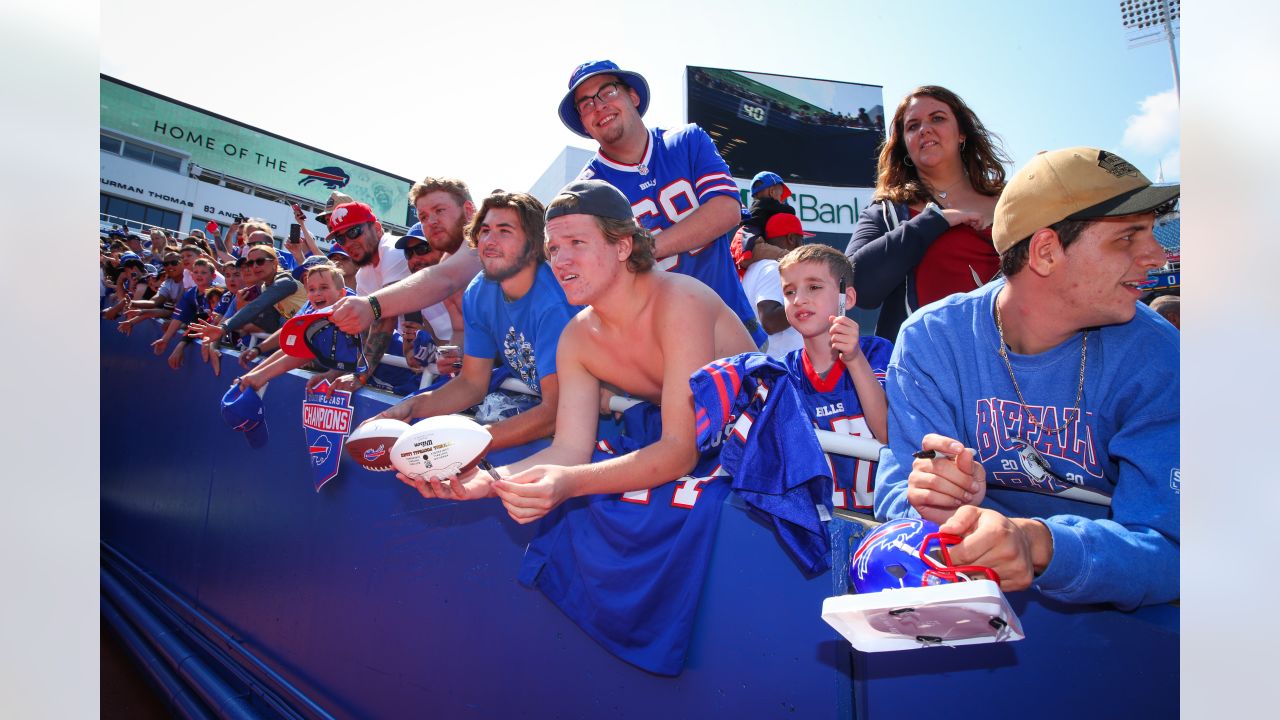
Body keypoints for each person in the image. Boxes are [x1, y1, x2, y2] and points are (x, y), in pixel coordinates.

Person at [874, 147, 1180, 610]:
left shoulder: (1156, 353)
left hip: (1119, 623)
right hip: (975, 603)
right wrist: (931, 505)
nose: (1157, 256)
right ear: (1045, 251)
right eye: (1127, 237)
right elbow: (899, 494)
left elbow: (1173, 548)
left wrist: (1041, 545)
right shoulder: (934, 338)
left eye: (1153, 233)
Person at [558, 59, 766, 348]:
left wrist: (648, 247)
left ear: (633, 95)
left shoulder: (687, 140)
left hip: (732, 328)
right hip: (657, 350)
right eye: (586, 104)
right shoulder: (585, 192)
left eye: (607, 92)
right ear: (583, 122)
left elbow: (726, 210)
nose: (598, 106)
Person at [371, 192, 578, 450]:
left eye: (505, 231)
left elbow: (557, 411)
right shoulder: (479, 290)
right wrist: (413, 407)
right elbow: (471, 383)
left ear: (535, 244)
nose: (490, 241)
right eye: (485, 230)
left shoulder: (555, 303)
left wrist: (468, 443)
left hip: (606, 420)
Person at [845, 85, 1011, 341]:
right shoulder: (886, 212)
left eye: (937, 118)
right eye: (913, 126)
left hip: (1007, 362)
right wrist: (933, 222)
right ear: (905, 146)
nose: (925, 129)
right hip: (920, 371)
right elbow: (852, 282)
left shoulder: (1011, 201)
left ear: (962, 134)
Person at [778, 244, 891, 512]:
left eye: (814, 287)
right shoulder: (783, 373)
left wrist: (854, 360)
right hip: (819, 527)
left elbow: (888, 432)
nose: (799, 300)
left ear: (847, 298)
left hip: (882, 521)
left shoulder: (877, 352)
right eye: (789, 291)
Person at [740, 213, 811, 358]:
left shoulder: (760, 267)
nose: (803, 247)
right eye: (801, 240)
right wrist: (811, 302)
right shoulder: (772, 268)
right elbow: (770, 321)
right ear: (791, 239)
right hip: (776, 368)